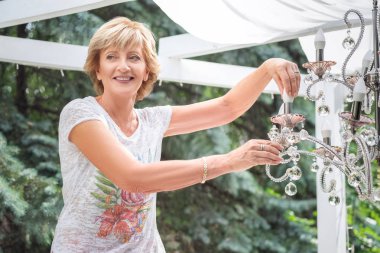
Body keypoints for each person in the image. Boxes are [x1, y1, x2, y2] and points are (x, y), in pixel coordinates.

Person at [51, 17, 301, 252]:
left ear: (147, 71)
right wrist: (226, 162)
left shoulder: (152, 121)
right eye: (111, 57)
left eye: (134, 57)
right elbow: (132, 177)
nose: (123, 66)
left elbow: (227, 107)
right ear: (98, 69)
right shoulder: (81, 113)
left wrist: (269, 68)